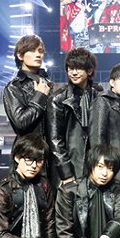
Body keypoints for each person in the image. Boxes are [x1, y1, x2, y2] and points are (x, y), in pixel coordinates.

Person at [47, 47, 102, 186]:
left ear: (90, 71)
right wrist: (66, 173)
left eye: (79, 68)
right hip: (71, 167)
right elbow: (55, 140)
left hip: (95, 166)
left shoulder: (99, 95)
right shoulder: (58, 99)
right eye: (71, 68)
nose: (74, 72)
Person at [89, 63, 120, 185]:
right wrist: (102, 167)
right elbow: (97, 139)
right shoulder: (102, 101)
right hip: (113, 166)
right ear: (112, 82)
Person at [3, 35, 52, 145]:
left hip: (51, 149)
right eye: (32, 50)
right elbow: (21, 122)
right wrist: (39, 96)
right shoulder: (14, 87)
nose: (38, 54)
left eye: (40, 51)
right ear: (20, 55)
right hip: (29, 150)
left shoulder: (47, 84)